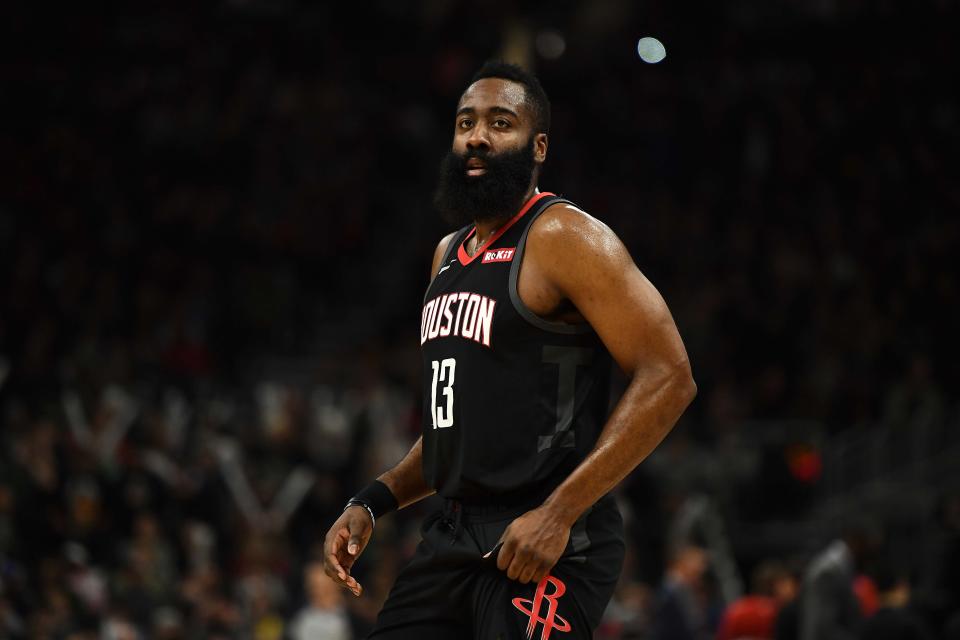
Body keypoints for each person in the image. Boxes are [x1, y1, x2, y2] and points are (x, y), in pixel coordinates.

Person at [322, 60, 697, 639]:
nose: (477, 136)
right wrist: (373, 501)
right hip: (452, 534)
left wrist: (559, 513)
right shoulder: (446, 254)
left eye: (501, 123)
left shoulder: (563, 237)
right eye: (466, 122)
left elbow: (670, 375)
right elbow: (457, 429)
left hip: (547, 536)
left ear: (537, 145)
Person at [651, 544, 710, 640]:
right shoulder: (670, 590)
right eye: (696, 571)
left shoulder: (686, 589)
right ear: (683, 564)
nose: (699, 577)